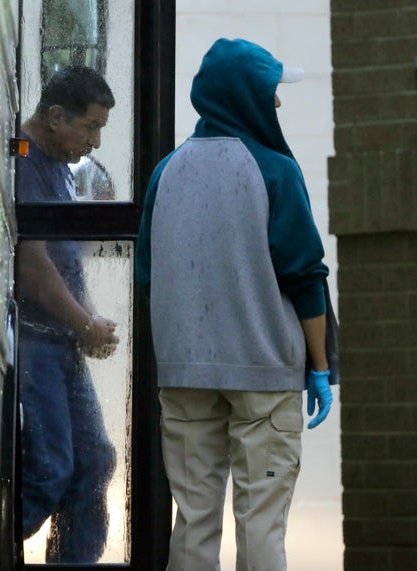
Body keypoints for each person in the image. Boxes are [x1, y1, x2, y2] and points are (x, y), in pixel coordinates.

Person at [136, 38, 337, 570]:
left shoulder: (166, 171)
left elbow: (148, 274)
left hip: (184, 377)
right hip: (265, 376)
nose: (277, 103)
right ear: (247, 95)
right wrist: (319, 368)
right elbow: (306, 278)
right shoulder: (274, 170)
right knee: (261, 525)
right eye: (272, 91)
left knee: (194, 522)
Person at [15, 65, 120, 563]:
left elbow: (63, 260)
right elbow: (33, 265)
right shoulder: (23, 159)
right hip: (36, 342)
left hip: (61, 341)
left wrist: (88, 322)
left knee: (94, 460)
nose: (95, 141)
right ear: (56, 116)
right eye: (91, 126)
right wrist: (84, 324)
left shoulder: (58, 162)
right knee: (48, 471)